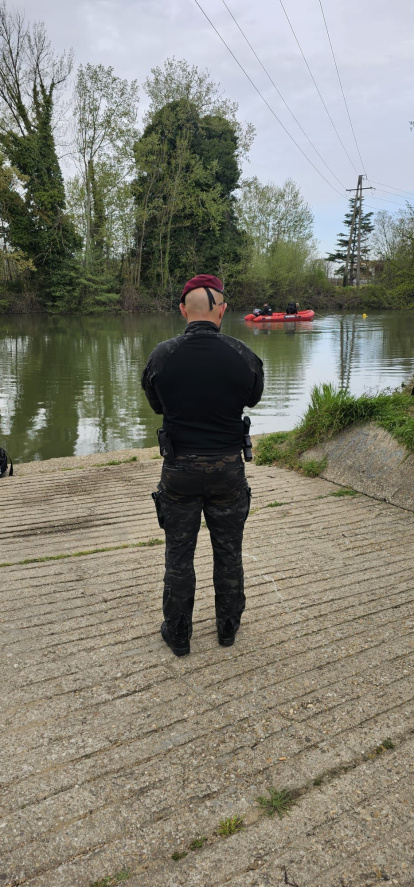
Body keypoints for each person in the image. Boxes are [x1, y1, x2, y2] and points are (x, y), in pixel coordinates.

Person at [141, 274, 264, 657]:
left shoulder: (162, 355)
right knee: (229, 551)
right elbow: (254, 398)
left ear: (183, 310)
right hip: (228, 469)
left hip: (179, 470)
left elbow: (156, 404)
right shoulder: (243, 354)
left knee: (179, 555)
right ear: (222, 311)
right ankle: (227, 627)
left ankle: (179, 634)